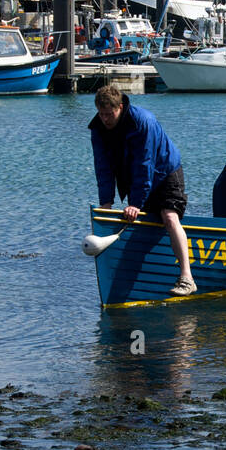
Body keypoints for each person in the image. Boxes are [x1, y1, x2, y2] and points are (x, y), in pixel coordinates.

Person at [89, 82, 196, 297]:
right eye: (101, 114)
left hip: (165, 172)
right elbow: (103, 168)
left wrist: (135, 203)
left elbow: (144, 163)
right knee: (138, 221)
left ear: (120, 107)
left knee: (169, 216)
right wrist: (106, 204)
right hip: (137, 177)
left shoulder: (142, 121)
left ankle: (187, 277)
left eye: (109, 114)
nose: (105, 119)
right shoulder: (98, 129)